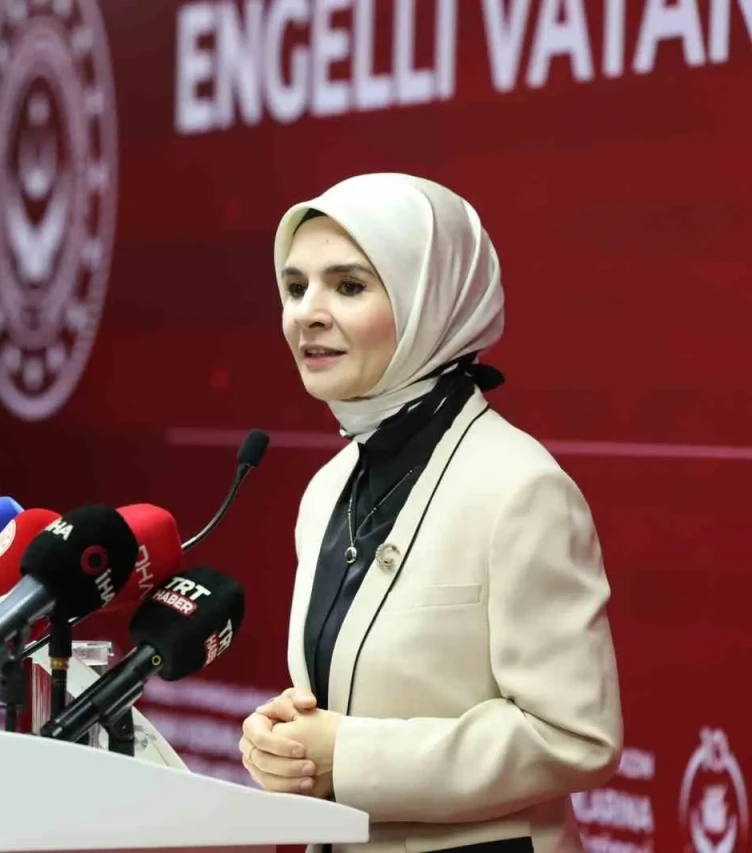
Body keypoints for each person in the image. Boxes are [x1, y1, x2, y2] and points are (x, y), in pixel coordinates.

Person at [238, 174, 622, 853]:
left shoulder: (520, 488)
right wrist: (284, 744)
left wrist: (347, 756)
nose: (307, 314)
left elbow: (575, 736)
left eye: (348, 286)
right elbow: (363, 696)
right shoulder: (326, 489)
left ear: (431, 300)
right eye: (295, 287)